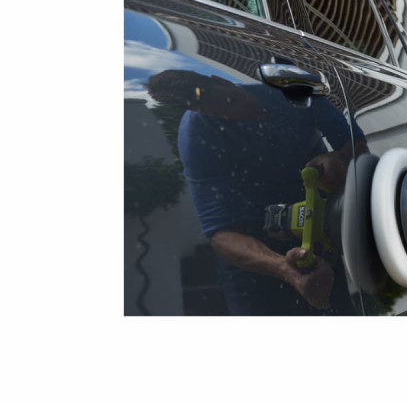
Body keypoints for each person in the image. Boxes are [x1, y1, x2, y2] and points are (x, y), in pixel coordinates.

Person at [147, 69, 367, 315]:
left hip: (318, 228)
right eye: (220, 115)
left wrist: (342, 158)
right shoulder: (196, 135)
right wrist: (284, 268)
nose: (237, 114)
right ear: (197, 111)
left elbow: (356, 145)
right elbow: (222, 235)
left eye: (231, 101)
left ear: (220, 79)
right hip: (253, 257)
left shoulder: (291, 86)